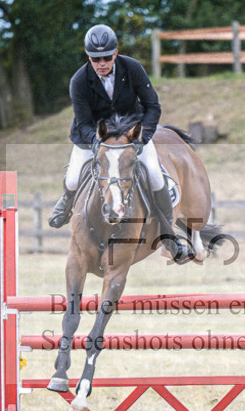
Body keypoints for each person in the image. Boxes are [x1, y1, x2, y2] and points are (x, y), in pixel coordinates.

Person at [47, 24, 192, 263]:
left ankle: (169, 236)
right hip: (92, 139)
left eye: (106, 57)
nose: (102, 63)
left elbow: (152, 107)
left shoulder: (133, 68)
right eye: (96, 59)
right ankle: (65, 203)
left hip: (131, 138)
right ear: (89, 57)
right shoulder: (79, 81)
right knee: (73, 178)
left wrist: (142, 137)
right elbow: (83, 122)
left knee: (155, 175)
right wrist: (97, 143)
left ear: (115, 54)